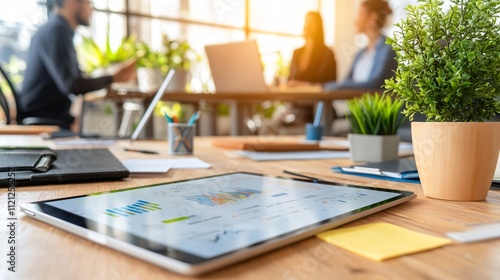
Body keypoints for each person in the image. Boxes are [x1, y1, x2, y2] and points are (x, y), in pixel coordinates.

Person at [18, 0, 136, 130]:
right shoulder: (56, 30)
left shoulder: (58, 30)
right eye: (88, 3)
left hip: (50, 120)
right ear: (71, 2)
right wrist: (113, 78)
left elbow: (75, 82)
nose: (91, 9)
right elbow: (71, 85)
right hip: (44, 123)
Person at [324, 0, 396, 90]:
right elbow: (346, 82)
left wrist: (325, 87)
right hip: (356, 104)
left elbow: (375, 84)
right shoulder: (361, 53)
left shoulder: (387, 50)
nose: (356, 19)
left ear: (372, 17)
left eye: (360, 14)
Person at [288, 11, 337, 84]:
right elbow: (290, 79)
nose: (307, 26)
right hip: (295, 94)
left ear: (319, 26)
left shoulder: (327, 54)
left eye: (311, 22)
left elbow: (330, 84)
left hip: (316, 95)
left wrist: (305, 85)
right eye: (306, 22)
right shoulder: (296, 53)